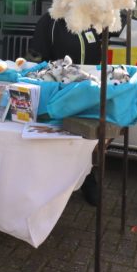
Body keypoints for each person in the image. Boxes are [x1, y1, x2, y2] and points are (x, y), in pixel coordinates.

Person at [27, 11, 101, 206]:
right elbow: (36, 60)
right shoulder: (50, 21)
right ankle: (54, 186)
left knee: (88, 137)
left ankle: (88, 179)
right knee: (61, 139)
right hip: (60, 92)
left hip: (88, 90)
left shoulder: (90, 18)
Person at [28, 12, 100, 65]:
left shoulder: (88, 20)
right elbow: (36, 57)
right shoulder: (50, 20)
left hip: (89, 81)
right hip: (60, 81)